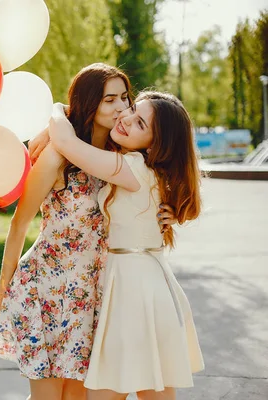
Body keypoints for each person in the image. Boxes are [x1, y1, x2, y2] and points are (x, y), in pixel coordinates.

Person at [0, 63, 175, 400]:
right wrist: (4, 286)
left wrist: (167, 213)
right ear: (90, 103)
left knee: (78, 397)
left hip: (92, 294)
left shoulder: (121, 156)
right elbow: (20, 223)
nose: (121, 107)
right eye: (110, 100)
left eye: (125, 98)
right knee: (48, 396)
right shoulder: (58, 156)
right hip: (45, 288)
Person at [47, 91, 205, 400]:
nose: (126, 119)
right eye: (132, 110)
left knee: (118, 390)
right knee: (149, 387)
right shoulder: (146, 171)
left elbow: (66, 143)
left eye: (139, 123)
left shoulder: (131, 168)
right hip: (139, 284)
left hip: (135, 289)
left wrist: (59, 108)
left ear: (155, 143)